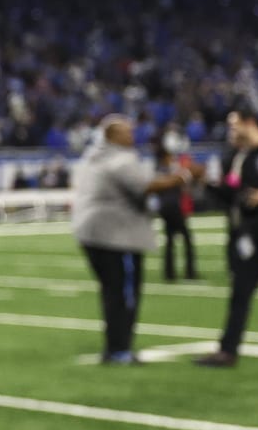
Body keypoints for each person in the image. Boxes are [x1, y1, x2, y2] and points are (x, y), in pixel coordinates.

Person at [71, 115, 191, 364]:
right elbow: (145, 185)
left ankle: (115, 346)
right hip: (116, 235)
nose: (132, 135)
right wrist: (181, 178)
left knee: (111, 292)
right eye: (126, 132)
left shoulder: (93, 157)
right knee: (124, 293)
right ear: (112, 136)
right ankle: (119, 348)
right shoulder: (120, 159)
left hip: (92, 232)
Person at [195, 109, 258, 367]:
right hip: (250, 237)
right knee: (239, 295)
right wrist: (206, 181)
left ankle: (227, 350)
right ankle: (227, 351)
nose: (231, 130)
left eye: (235, 124)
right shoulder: (241, 159)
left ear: (249, 123)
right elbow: (234, 196)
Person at [153, 136, 198, 281]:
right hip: (173, 207)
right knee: (187, 239)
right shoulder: (169, 170)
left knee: (170, 241)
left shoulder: (158, 169)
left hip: (164, 207)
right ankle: (190, 272)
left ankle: (169, 273)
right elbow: (181, 184)